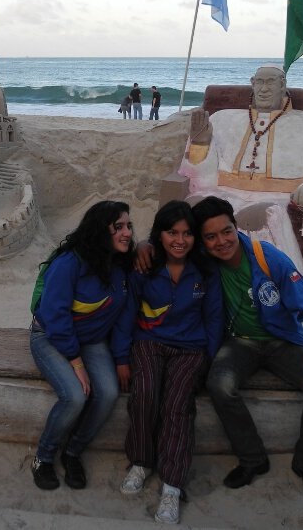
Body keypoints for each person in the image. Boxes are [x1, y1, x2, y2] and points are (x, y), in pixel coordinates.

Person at [193, 196, 303, 499]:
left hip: (282, 342)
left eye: (226, 231)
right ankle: (252, 459)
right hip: (239, 343)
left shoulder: (267, 258)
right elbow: (167, 246)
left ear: (236, 228)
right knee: (219, 385)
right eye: (210, 237)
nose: (221, 242)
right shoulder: (206, 264)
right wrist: (145, 247)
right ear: (202, 241)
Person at [178, 65, 303, 276]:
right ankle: (191, 272)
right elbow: (200, 177)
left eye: (270, 82)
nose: (264, 89)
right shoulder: (222, 120)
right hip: (222, 191)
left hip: (277, 197)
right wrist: (200, 144)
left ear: (283, 86)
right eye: (259, 82)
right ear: (252, 83)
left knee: (260, 216)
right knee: (192, 207)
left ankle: (263, 278)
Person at [119, 201, 223, 524]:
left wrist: (207, 358)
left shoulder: (205, 272)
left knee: (178, 405)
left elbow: (214, 319)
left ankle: (172, 485)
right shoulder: (145, 268)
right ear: (159, 235)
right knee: (145, 393)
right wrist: (122, 358)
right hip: (149, 342)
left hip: (191, 349)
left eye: (187, 233)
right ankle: (140, 462)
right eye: (171, 232)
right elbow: (127, 314)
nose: (180, 240)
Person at [29, 200, 136, 491]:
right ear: (101, 231)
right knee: (76, 396)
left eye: (129, 226)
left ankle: (73, 452)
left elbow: (125, 318)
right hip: (51, 336)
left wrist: (122, 358)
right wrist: (76, 362)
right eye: (119, 227)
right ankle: (44, 457)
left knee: (109, 393)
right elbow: (55, 316)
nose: (127, 232)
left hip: (91, 340)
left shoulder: (121, 266)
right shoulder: (70, 264)